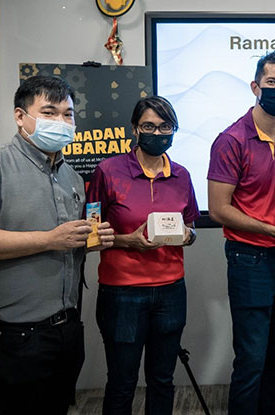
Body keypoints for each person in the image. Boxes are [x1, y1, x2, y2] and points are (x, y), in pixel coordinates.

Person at [0, 75, 115, 414]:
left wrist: (87, 242)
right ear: (20, 116)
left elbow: (64, 244)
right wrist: (50, 239)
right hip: (15, 334)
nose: (61, 122)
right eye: (50, 112)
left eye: (68, 115)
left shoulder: (70, 175)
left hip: (67, 328)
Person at [207, 50, 275, 415]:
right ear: (255, 87)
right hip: (250, 259)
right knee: (252, 360)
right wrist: (273, 228)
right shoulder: (231, 140)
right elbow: (220, 209)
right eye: (272, 83)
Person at [86, 96, 200, 415]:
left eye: (165, 126)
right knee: (122, 382)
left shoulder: (182, 175)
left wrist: (187, 236)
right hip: (122, 293)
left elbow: (189, 228)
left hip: (171, 292)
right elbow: (91, 235)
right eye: (149, 126)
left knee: (162, 380)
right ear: (135, 129)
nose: (158, 133)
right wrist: (127, 241)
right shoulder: (108, 171)